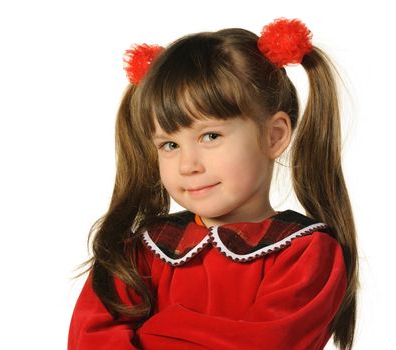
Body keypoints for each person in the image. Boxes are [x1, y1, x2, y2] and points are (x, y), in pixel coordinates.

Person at [68, 18, 358, 350]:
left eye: (210, 136)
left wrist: (149, 334)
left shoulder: (305, 253)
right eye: (170, 145)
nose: (188, 165)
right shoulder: (139, 252)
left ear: (274, 136)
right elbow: (89, 339)